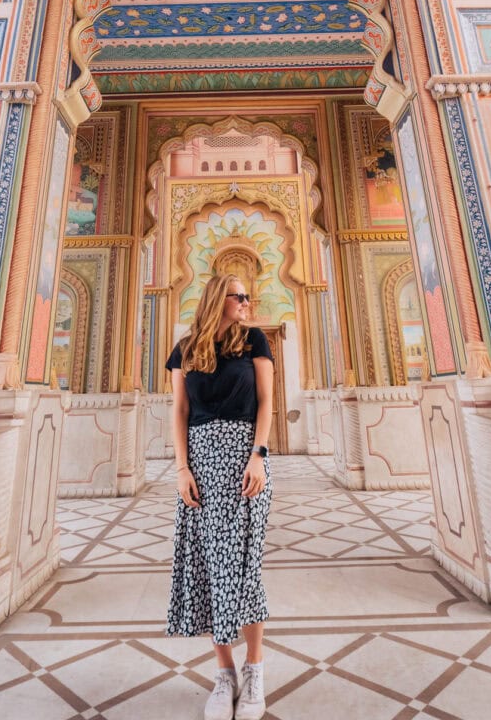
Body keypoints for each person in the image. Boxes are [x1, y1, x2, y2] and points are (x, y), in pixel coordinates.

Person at [166, 273, 274, 720]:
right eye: (239, 296)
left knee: (245, 568)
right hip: (201, 467)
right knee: (213, 567)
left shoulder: (255, 342)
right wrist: (181, 468)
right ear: (219, 299)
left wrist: (258, 456)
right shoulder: (186, 349)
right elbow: (179, 411)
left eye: (248, 296)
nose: (247, 302)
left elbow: (266, 401)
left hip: (245, 463)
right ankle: (224, 673)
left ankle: (256, 671)